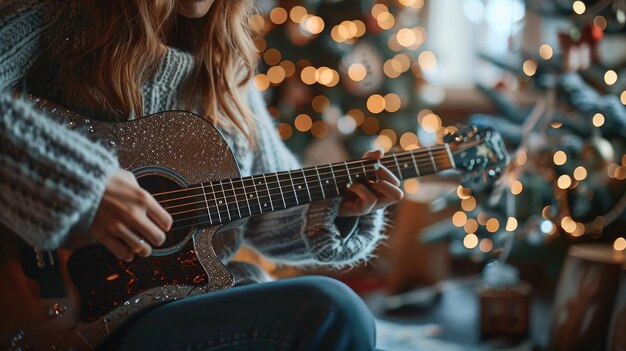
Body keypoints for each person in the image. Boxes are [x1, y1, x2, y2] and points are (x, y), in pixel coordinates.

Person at [0, 0, 404, 349]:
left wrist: (342, 209)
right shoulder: (54, 18)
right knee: (333, 311)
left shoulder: (228, 69)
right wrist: (87, 185)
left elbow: (264, 208)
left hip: (185, 302)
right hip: (62, 320)